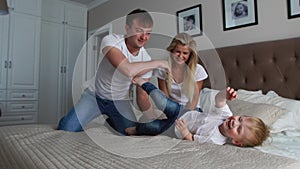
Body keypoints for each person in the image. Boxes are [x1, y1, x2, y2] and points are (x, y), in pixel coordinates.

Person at [57, 8, 169, 135]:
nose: (144, 37)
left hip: (120, 101)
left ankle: (111, 122)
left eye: (148, 33)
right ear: (127, 28)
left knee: (131, 134)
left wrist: (155, 118)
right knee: (67, 129)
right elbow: (128, 69)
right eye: (139, 31)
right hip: (94, 97)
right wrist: (159, 63)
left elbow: (142, 96)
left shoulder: (146, 59)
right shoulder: (111, 41)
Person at [126, 77, 270, 147]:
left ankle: (136, 129)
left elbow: (193, 139)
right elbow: (219, 101)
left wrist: (185, 133)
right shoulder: (225, 116)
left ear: (236, 142)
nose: (235, 122)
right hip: (184, 112)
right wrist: (225, 95)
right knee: (162, 101)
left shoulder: (215, 141)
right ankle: (144, 83)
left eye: (238, 129)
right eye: (240, 118)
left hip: (175, 129)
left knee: (153, 127)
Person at [154, 33, 207, 112]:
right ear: (172, 51)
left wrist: (183, 117)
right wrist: (172, 115)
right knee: (150, 124)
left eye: (185, 53)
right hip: (172, 110)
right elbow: (165, 99)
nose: (180, 56)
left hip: (192, 110)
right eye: (177, 52)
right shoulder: (162, 69)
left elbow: (193, 100)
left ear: (190, 54)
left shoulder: (198, 70)